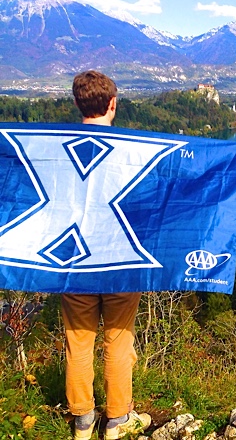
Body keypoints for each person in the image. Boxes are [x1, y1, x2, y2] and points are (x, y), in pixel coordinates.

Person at [65, 70, 151, 440]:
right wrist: (234, 158)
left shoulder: (56, 148)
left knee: (78, 340)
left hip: (71, 262)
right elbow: (176, 174)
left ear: (76, 103)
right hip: (120, 263)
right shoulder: (132, 149)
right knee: (118, 339)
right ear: (113, 103)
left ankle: (82, 420)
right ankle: (116, 421)